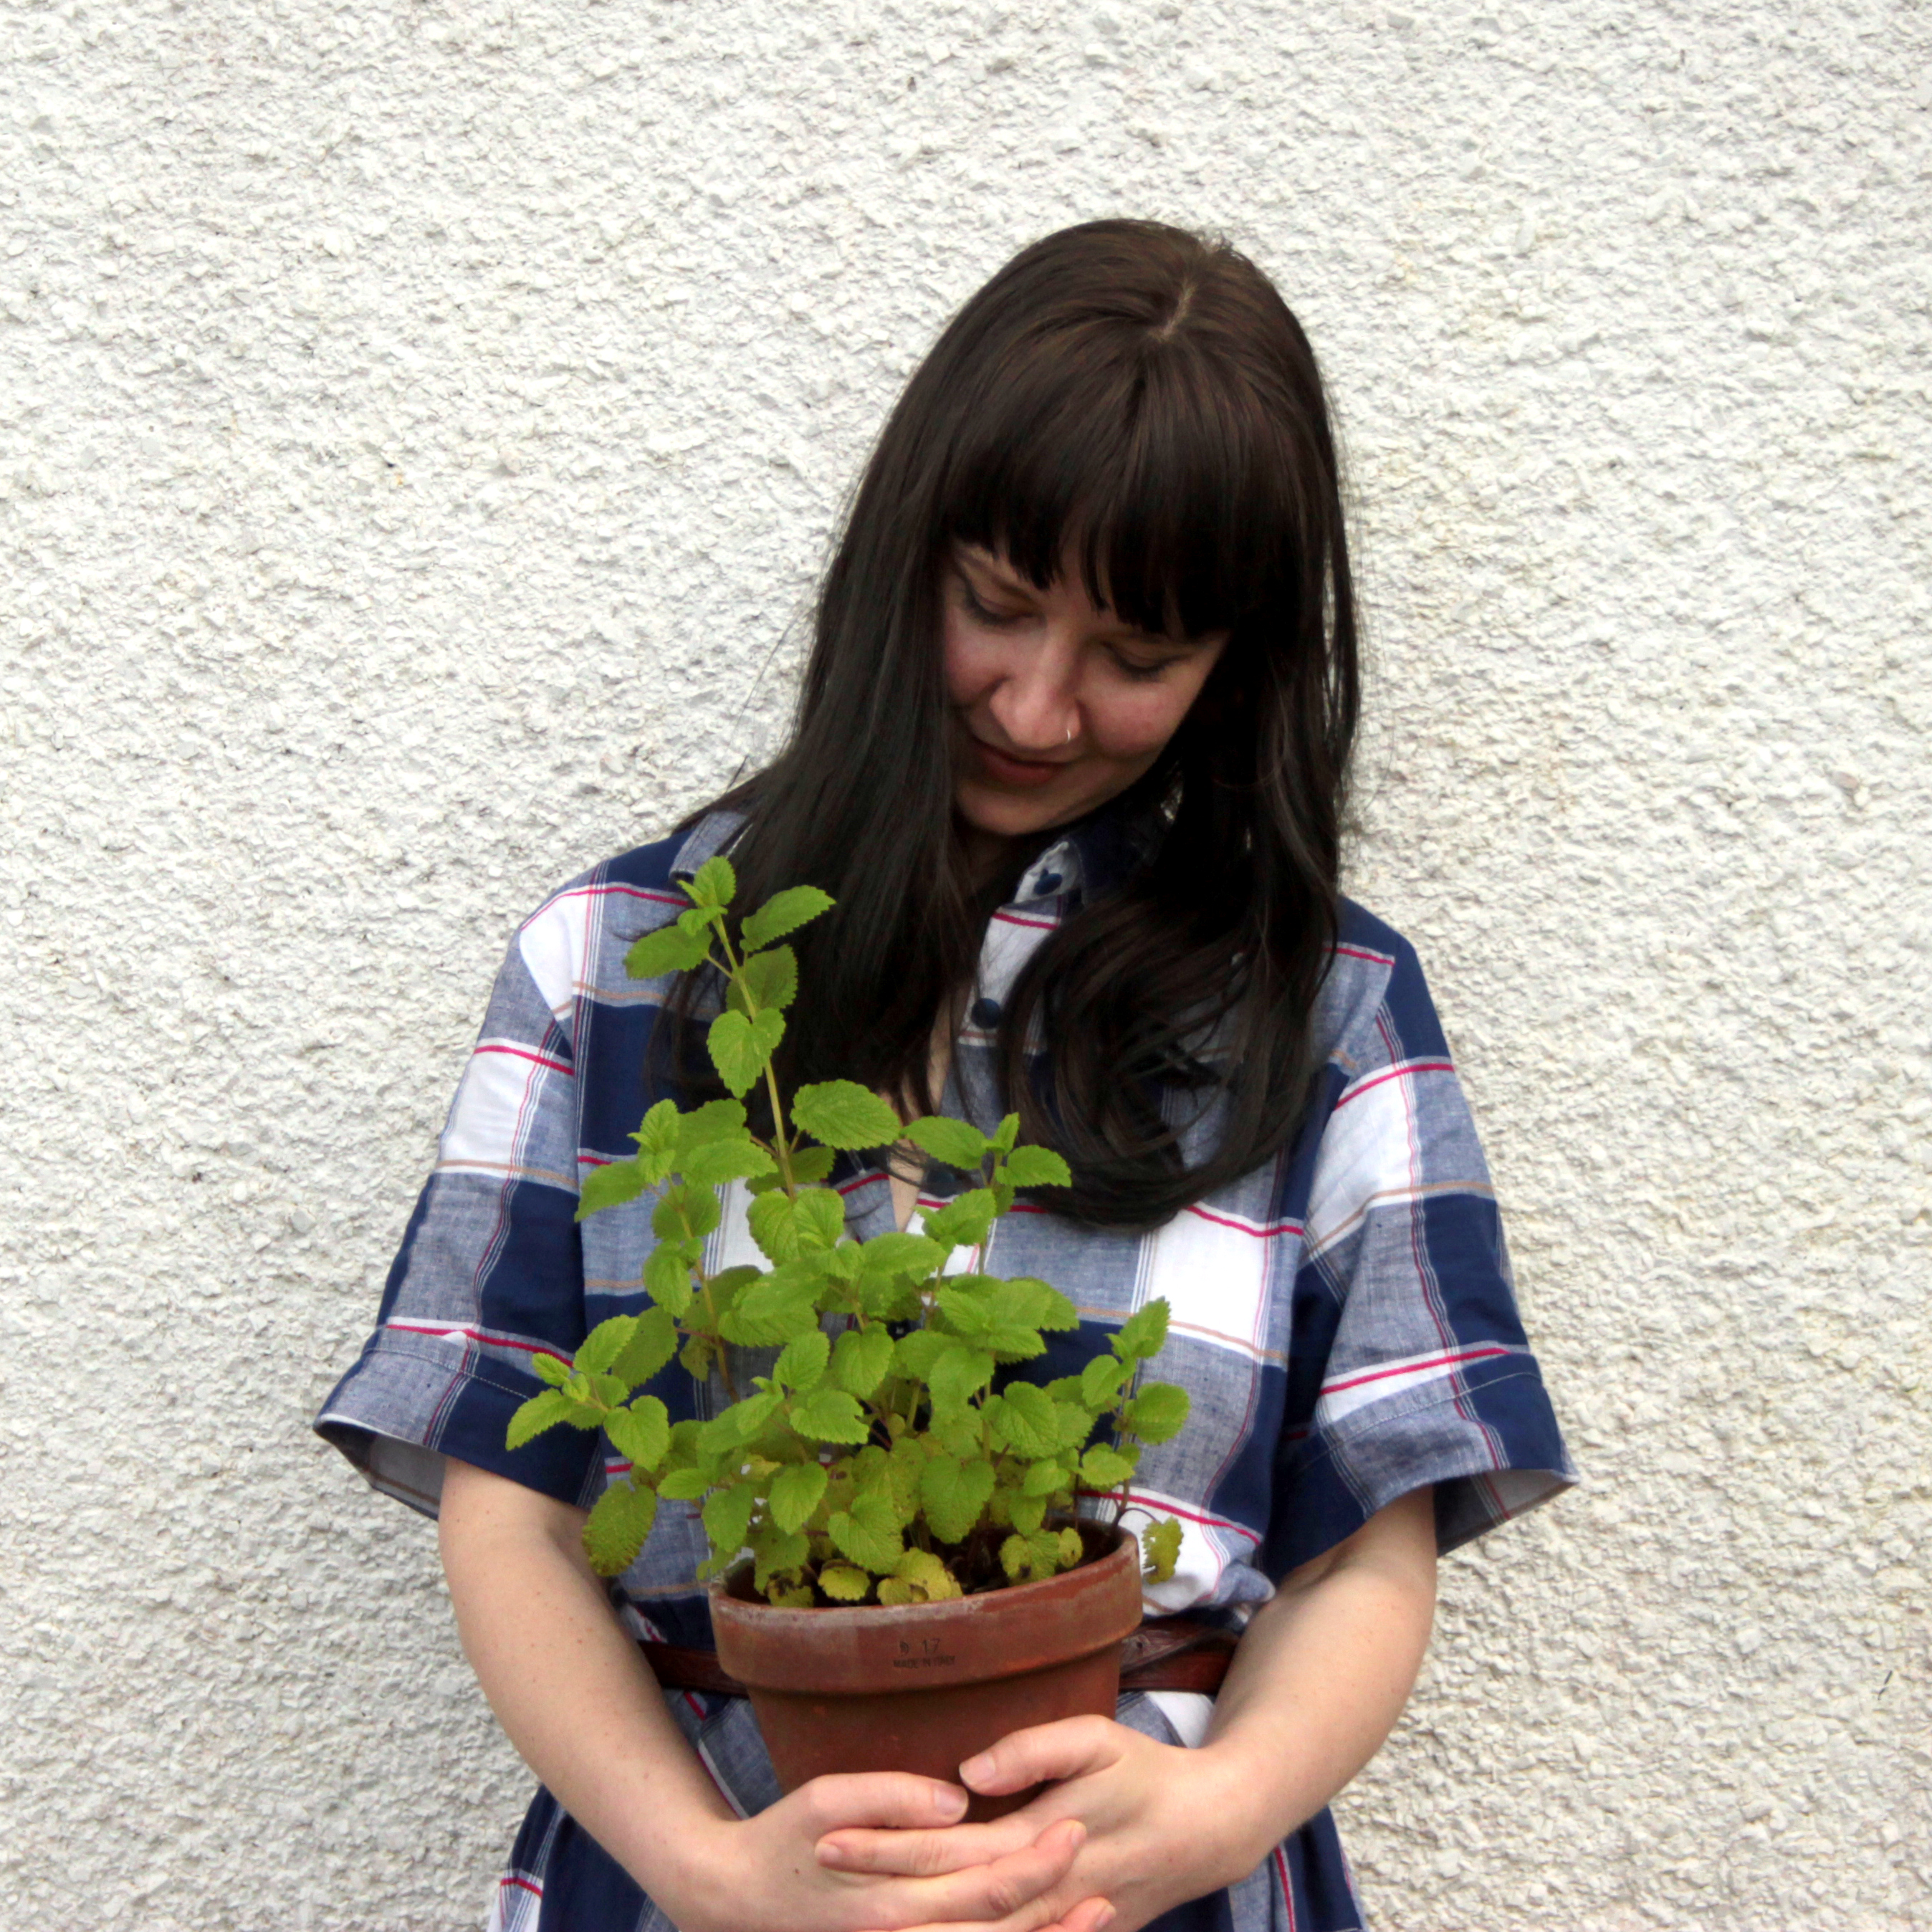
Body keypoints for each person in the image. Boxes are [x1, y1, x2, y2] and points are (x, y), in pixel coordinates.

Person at [315, 218, 1574, 1932]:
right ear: (905, 553)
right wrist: (709, 1872)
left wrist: (1213, 1813)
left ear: (1238, 670)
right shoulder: (617, 962)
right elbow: (513, 1508)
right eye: (995, 605)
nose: (1038, 708)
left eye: (1138, 658)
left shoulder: (1323, 1007)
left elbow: (1366, 1541)